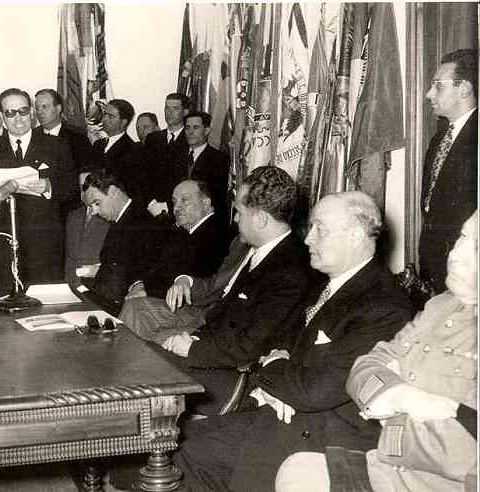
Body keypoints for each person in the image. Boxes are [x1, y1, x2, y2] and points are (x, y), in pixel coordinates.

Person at [173, 191, 415, 491]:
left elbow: (315, 390)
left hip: (327, 435)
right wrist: (277, 378)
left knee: (191, 452)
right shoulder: (327, 285)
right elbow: (280, 344)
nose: (308, 238)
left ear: (354, 236)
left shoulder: (384, 306)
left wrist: (274, 374)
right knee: (186, 441)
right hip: (288, 410)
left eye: (319, 230)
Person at [275, 211, 478, 492]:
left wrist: (388, 418)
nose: (456, 253)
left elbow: (464, 454)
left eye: (476, 247)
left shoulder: (384, 300)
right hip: (388, 470)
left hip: (434, 482)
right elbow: (366, 365)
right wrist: (403, 396)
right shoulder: (440, 306)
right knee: (297, 470)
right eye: (462, 237)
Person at [151, 167, 313, 416]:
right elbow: (222, 315)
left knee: (142, 371)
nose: (235, 219)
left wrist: (191, 349)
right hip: (217, 359)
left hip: (240, 381)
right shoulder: (263, 253)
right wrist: (193, 338)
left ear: (261, 219)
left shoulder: (292, 268)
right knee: (144, 355)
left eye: (239, 212)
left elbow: (251, 346)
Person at [0, 88, 76, 285]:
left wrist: (50, 186)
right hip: (4, 246)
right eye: (10, 113)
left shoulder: (56, 145)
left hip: (44, 245)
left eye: (23, 111)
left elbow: (73, 189)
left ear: (32, 113)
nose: (18, 118)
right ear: (2, 117)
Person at [419, 48, 477, 294]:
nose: (428, 94)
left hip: (467, 272)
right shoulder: (439, 139)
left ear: (464, 88)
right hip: (435, 268)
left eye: (438, 86)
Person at [124, 179, 228, 301]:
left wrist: (147, 291)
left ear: (205, 204)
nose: (176, 208)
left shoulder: (217, 234)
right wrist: (139, 284)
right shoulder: (182, 232)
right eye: (174, 202)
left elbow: (197, 280)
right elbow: (149, 263)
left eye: (185, 200)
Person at [80, 169, 161, 312]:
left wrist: (137, 283)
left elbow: (146, 269)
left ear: (112, 191)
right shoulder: (121, 221)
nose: (95, 212)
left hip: (125, 307)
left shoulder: (141, 222)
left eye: (96, 203)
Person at [91, 99, 147, 204]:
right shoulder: (98, 145)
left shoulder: (133, 150)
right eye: (105, 114)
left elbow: (129, 188)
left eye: (111, 116)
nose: (104, 119)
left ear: (123, 122)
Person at [144, 93, 191, 217]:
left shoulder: (190, 140)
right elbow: (145, 174)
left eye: (175, 108)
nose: (169, 113)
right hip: (152, 208)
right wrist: (151, 203)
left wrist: (168, 205)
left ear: (185, 112)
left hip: (179, 209)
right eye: (167, 108)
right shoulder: (153, 138)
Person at [64, 171, 110, 289]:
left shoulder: (109, 216)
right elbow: (69, 258)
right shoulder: (73, 216)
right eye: (81, 186)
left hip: (99, 286)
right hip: (73, 285)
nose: (84, 191)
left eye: (87, 186)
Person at [33, 88, 94, 177]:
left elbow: (86, 173)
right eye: (37, 108)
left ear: (58, 108)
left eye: (44, 107)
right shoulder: (32, 136)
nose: (40, 112)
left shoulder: (77, 136)